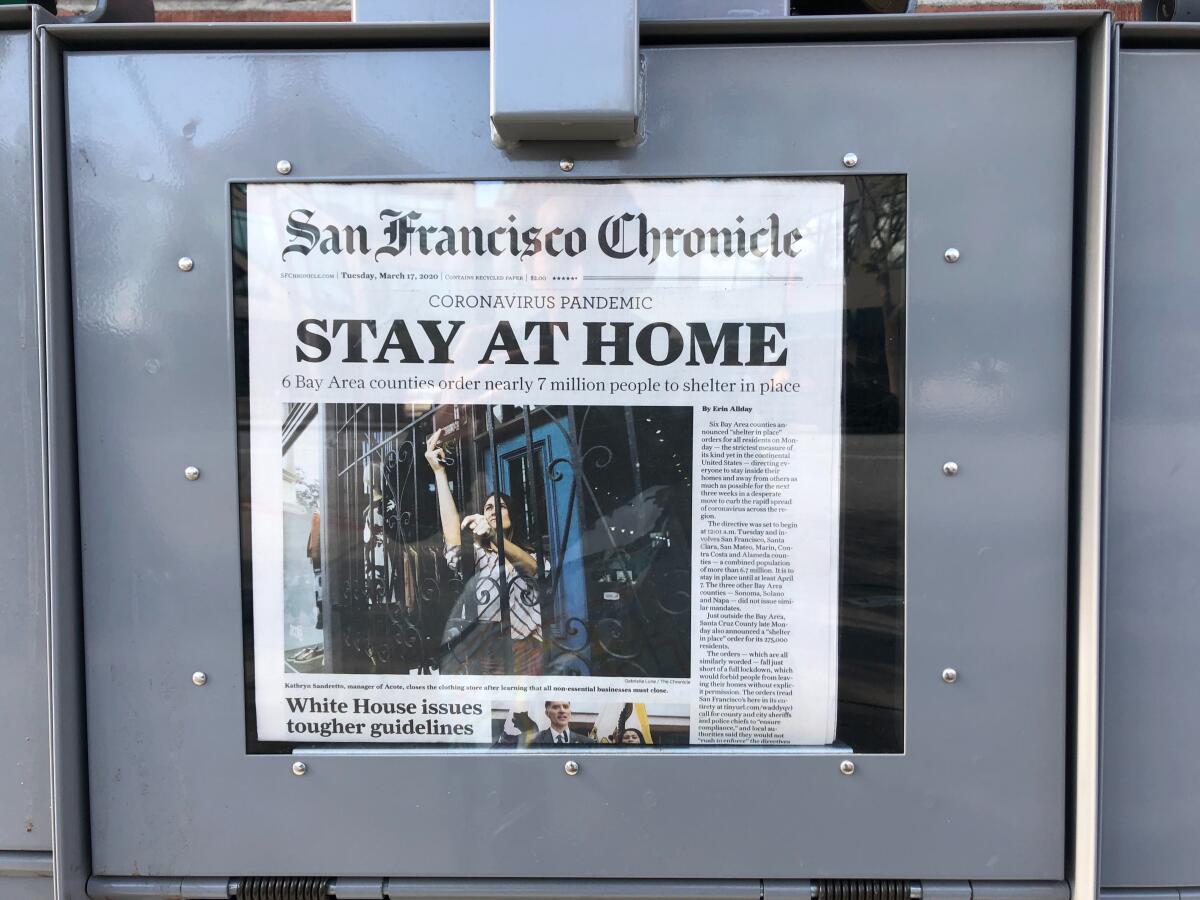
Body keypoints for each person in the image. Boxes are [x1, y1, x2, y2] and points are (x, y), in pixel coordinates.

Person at [425, 427, 544, 676]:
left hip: (529, 645)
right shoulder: (481, 556)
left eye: (500, 506)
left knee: (529, 708)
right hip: (492, 647)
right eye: (487, 507)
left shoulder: (532, 551)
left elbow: (533, 569)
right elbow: (452, 538)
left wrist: (493, 536)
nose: (491, 510)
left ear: (512, 515)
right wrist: (439, 472)